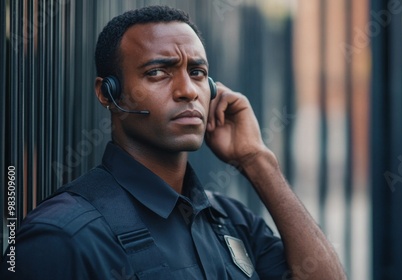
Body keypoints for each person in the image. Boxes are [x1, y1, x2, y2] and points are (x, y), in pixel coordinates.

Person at [1, 6, 345, 280]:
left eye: (197, 72)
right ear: (107, 93)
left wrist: (257, 160)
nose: (187, 90)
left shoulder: (231, 220)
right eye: (158, 72)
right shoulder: (60, 238)